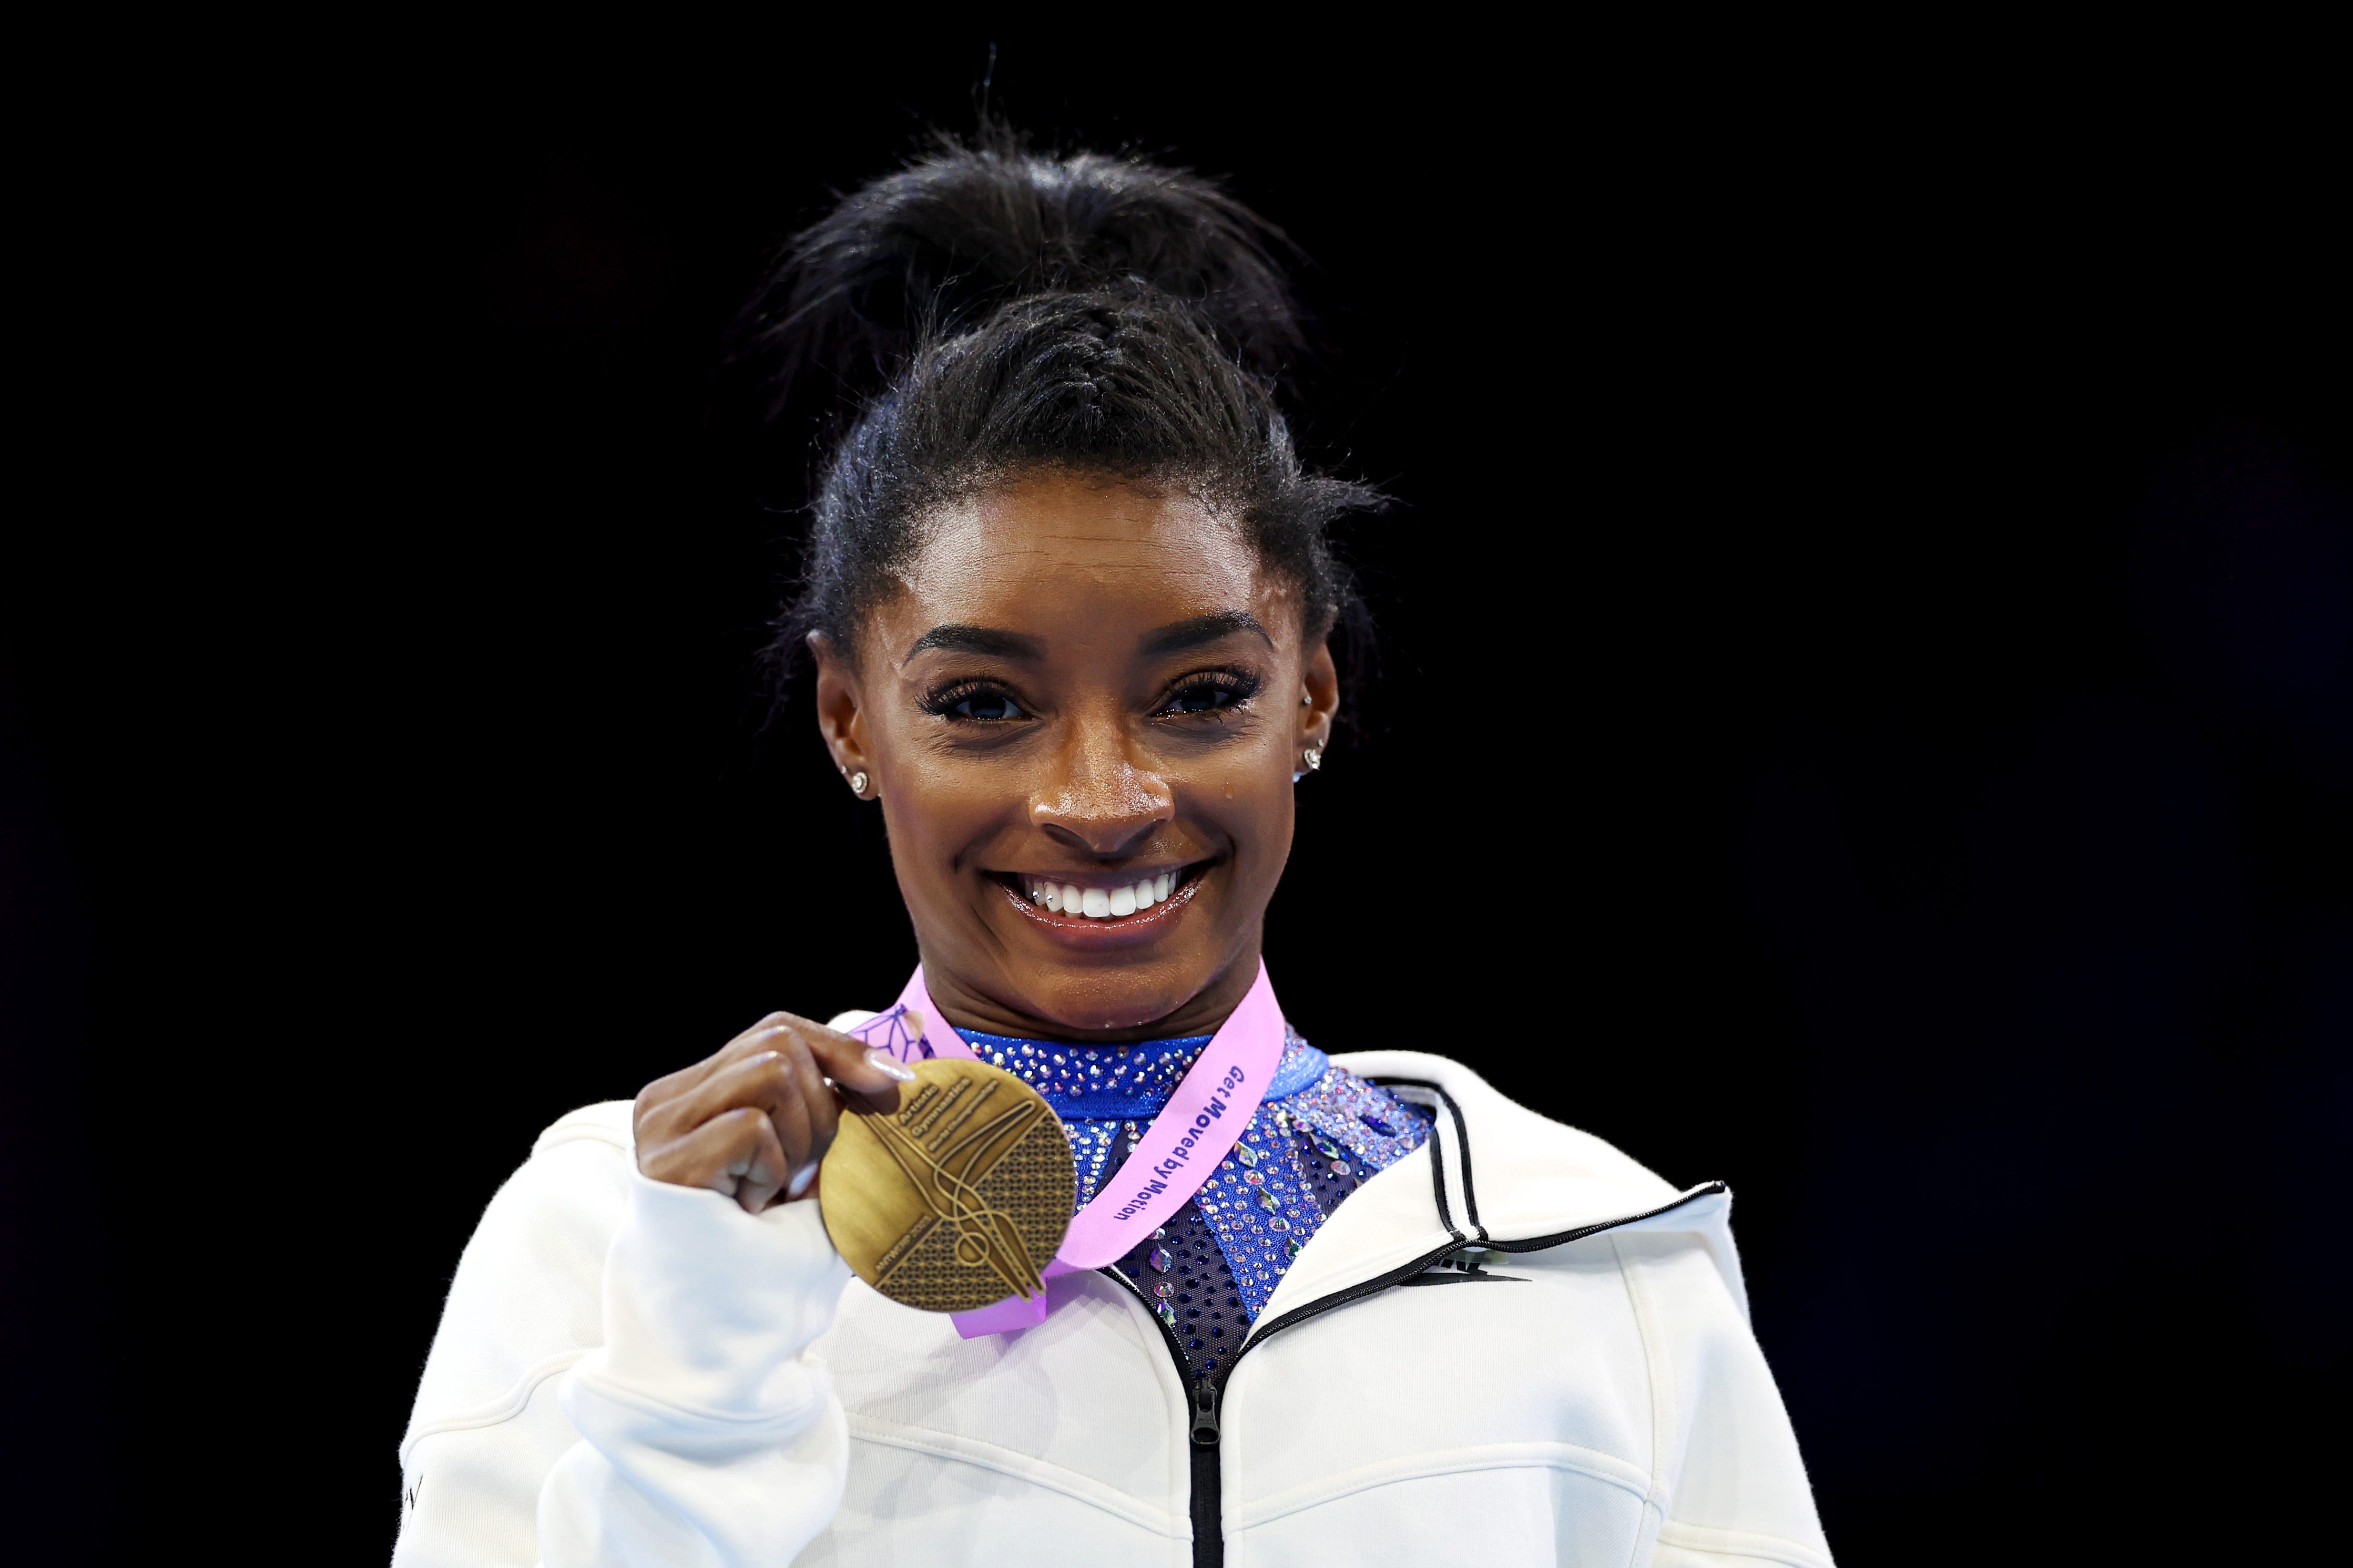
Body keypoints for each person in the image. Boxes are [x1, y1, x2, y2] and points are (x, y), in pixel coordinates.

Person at [391, 130, 1833, 1568]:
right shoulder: (615, 1233)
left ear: (1310, 698)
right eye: (982, 705)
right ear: (849, 718)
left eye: (1200, 696)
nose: (1099, 797)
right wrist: (696, 1358)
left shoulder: (1598, 1265)